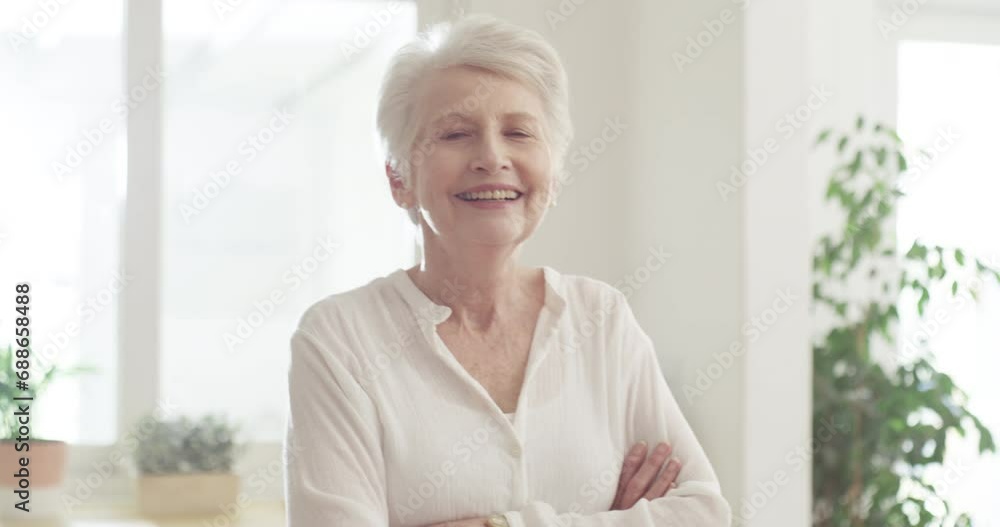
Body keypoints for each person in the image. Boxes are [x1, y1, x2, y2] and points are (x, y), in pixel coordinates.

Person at [283, 14, 731, 527]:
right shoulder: (339, 340)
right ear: (399, 178)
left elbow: (703, 513)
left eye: (518, 132)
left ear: (554, 174)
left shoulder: (601, 318)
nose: (492, 157)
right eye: (455, 133)